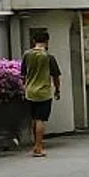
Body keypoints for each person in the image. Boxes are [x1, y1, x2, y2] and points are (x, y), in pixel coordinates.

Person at [22, 28, 63, 157]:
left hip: (30, 91)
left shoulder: (27, 55)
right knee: (41, 119)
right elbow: (55, 75)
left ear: (33, 41)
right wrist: (57, 90)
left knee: (34, 119)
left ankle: (35, 144)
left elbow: (23, 73)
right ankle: (39, 147)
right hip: (43, 92)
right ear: (47, 41)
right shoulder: (49, 57)